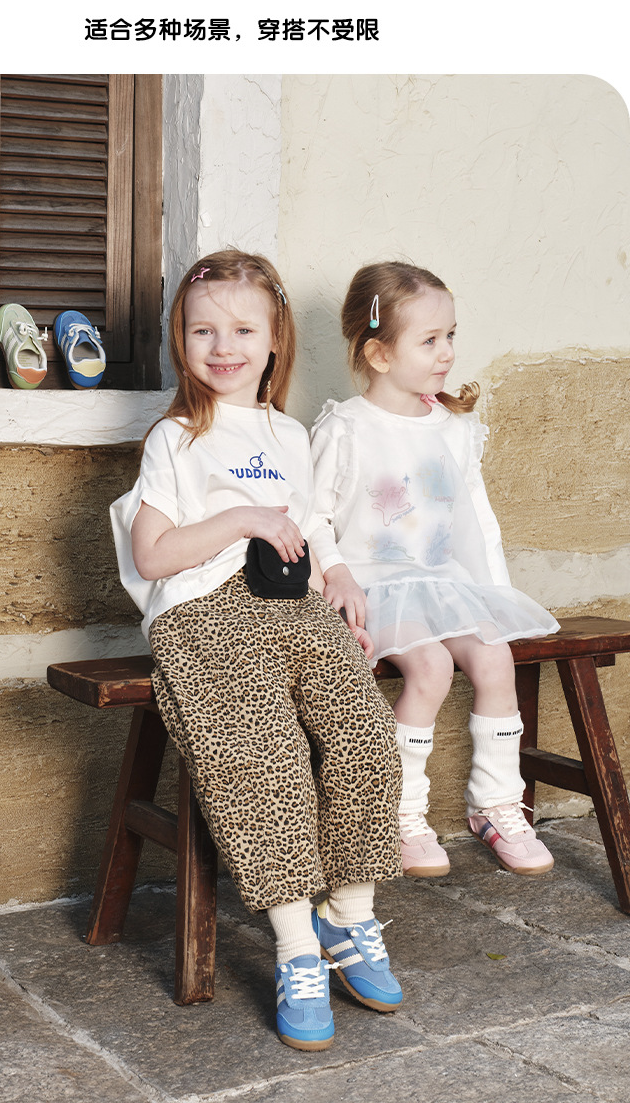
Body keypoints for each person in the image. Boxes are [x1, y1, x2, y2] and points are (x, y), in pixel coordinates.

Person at [111, 250, 403, 1052]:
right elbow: (153, 556)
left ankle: (348, 916)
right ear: (182, 341)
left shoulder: (288, 434)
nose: (223, 346)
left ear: (275, 339)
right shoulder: (175, 438)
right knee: (262, 754)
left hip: (293, 605)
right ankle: (297, 947)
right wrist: (241, 519)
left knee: (364, 733)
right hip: (204, 612)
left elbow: (308, 526)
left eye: (243, 329)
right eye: (203, 330)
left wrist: (337, 575)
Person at [310, 261, 559, 881]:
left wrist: (493, 597)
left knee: (495, 659)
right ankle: (401, 814)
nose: (447, 352)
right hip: (372, 586)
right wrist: (335, 575)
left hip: (444, 583)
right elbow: (310, 517)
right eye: (429, 340)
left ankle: (496, 804)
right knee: (431, 667)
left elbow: (476, 520)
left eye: (450, 335)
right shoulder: (346, 428)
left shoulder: (454, 429)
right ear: (379, 353)